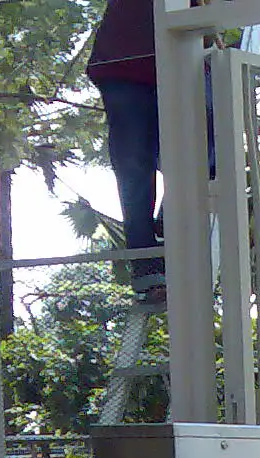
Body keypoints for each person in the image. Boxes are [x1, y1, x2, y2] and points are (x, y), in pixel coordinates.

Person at [87, 0, 164, 304]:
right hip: (124, 66)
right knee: (134, 167)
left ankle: (168, 223)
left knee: (206, 151)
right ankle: (147, 270)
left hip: (177, 59)